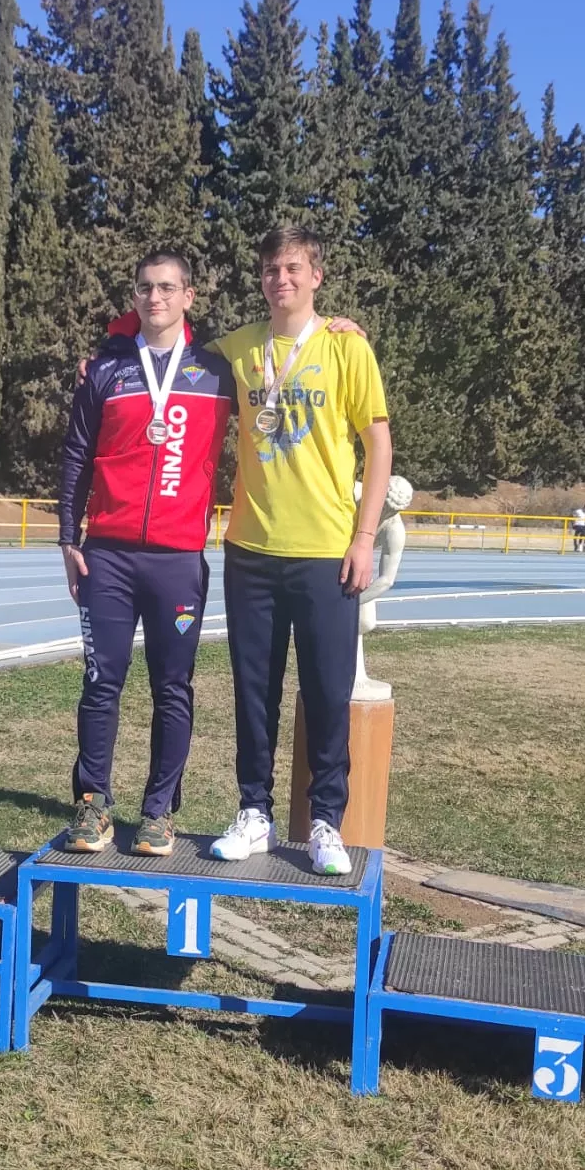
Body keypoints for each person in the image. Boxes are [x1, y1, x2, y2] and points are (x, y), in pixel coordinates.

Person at [206, 227, 393, 876]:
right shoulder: (238, 349)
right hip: (251, 549)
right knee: (254, 691)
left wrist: (365, 538)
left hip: (325, 551)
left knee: (326, 691)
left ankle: (325, 824)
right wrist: (115, 345)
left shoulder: (346, 348)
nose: (279, 279)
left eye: (292, 268)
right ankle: (253, 812)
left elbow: (379, 447)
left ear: (316, 275)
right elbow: (166, 348)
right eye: (270, 269)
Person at [58, 251, 233, 857]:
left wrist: (341, 328)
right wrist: (65, 537)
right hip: (106, 553)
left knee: (173, 687)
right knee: (101, 681)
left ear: (189, 296)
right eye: (143, 289)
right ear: (133, 299)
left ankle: (159, 812)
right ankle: (92, 804)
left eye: (166, 288)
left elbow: (285, 351)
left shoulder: (219, 372)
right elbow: (76, 457)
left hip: (178, 559)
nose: (153, 298)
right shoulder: (105, 371)